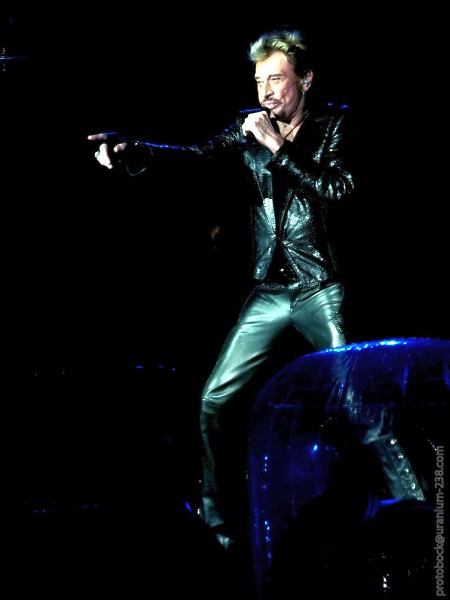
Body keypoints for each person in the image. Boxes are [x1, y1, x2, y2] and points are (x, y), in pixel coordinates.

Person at [87, 27, 425, 554]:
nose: (266, 92)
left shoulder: (337, 124)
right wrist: (137, 150)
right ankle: (219, 532)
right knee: (215, 400)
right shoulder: (249, 129)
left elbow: (341, 191)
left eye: (277, 79)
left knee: (360, 404)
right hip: (271, 289)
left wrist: (278, 148)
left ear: (305, 80)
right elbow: (197, 157)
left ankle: (423, 519)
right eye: (259, 81)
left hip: (322, 285)